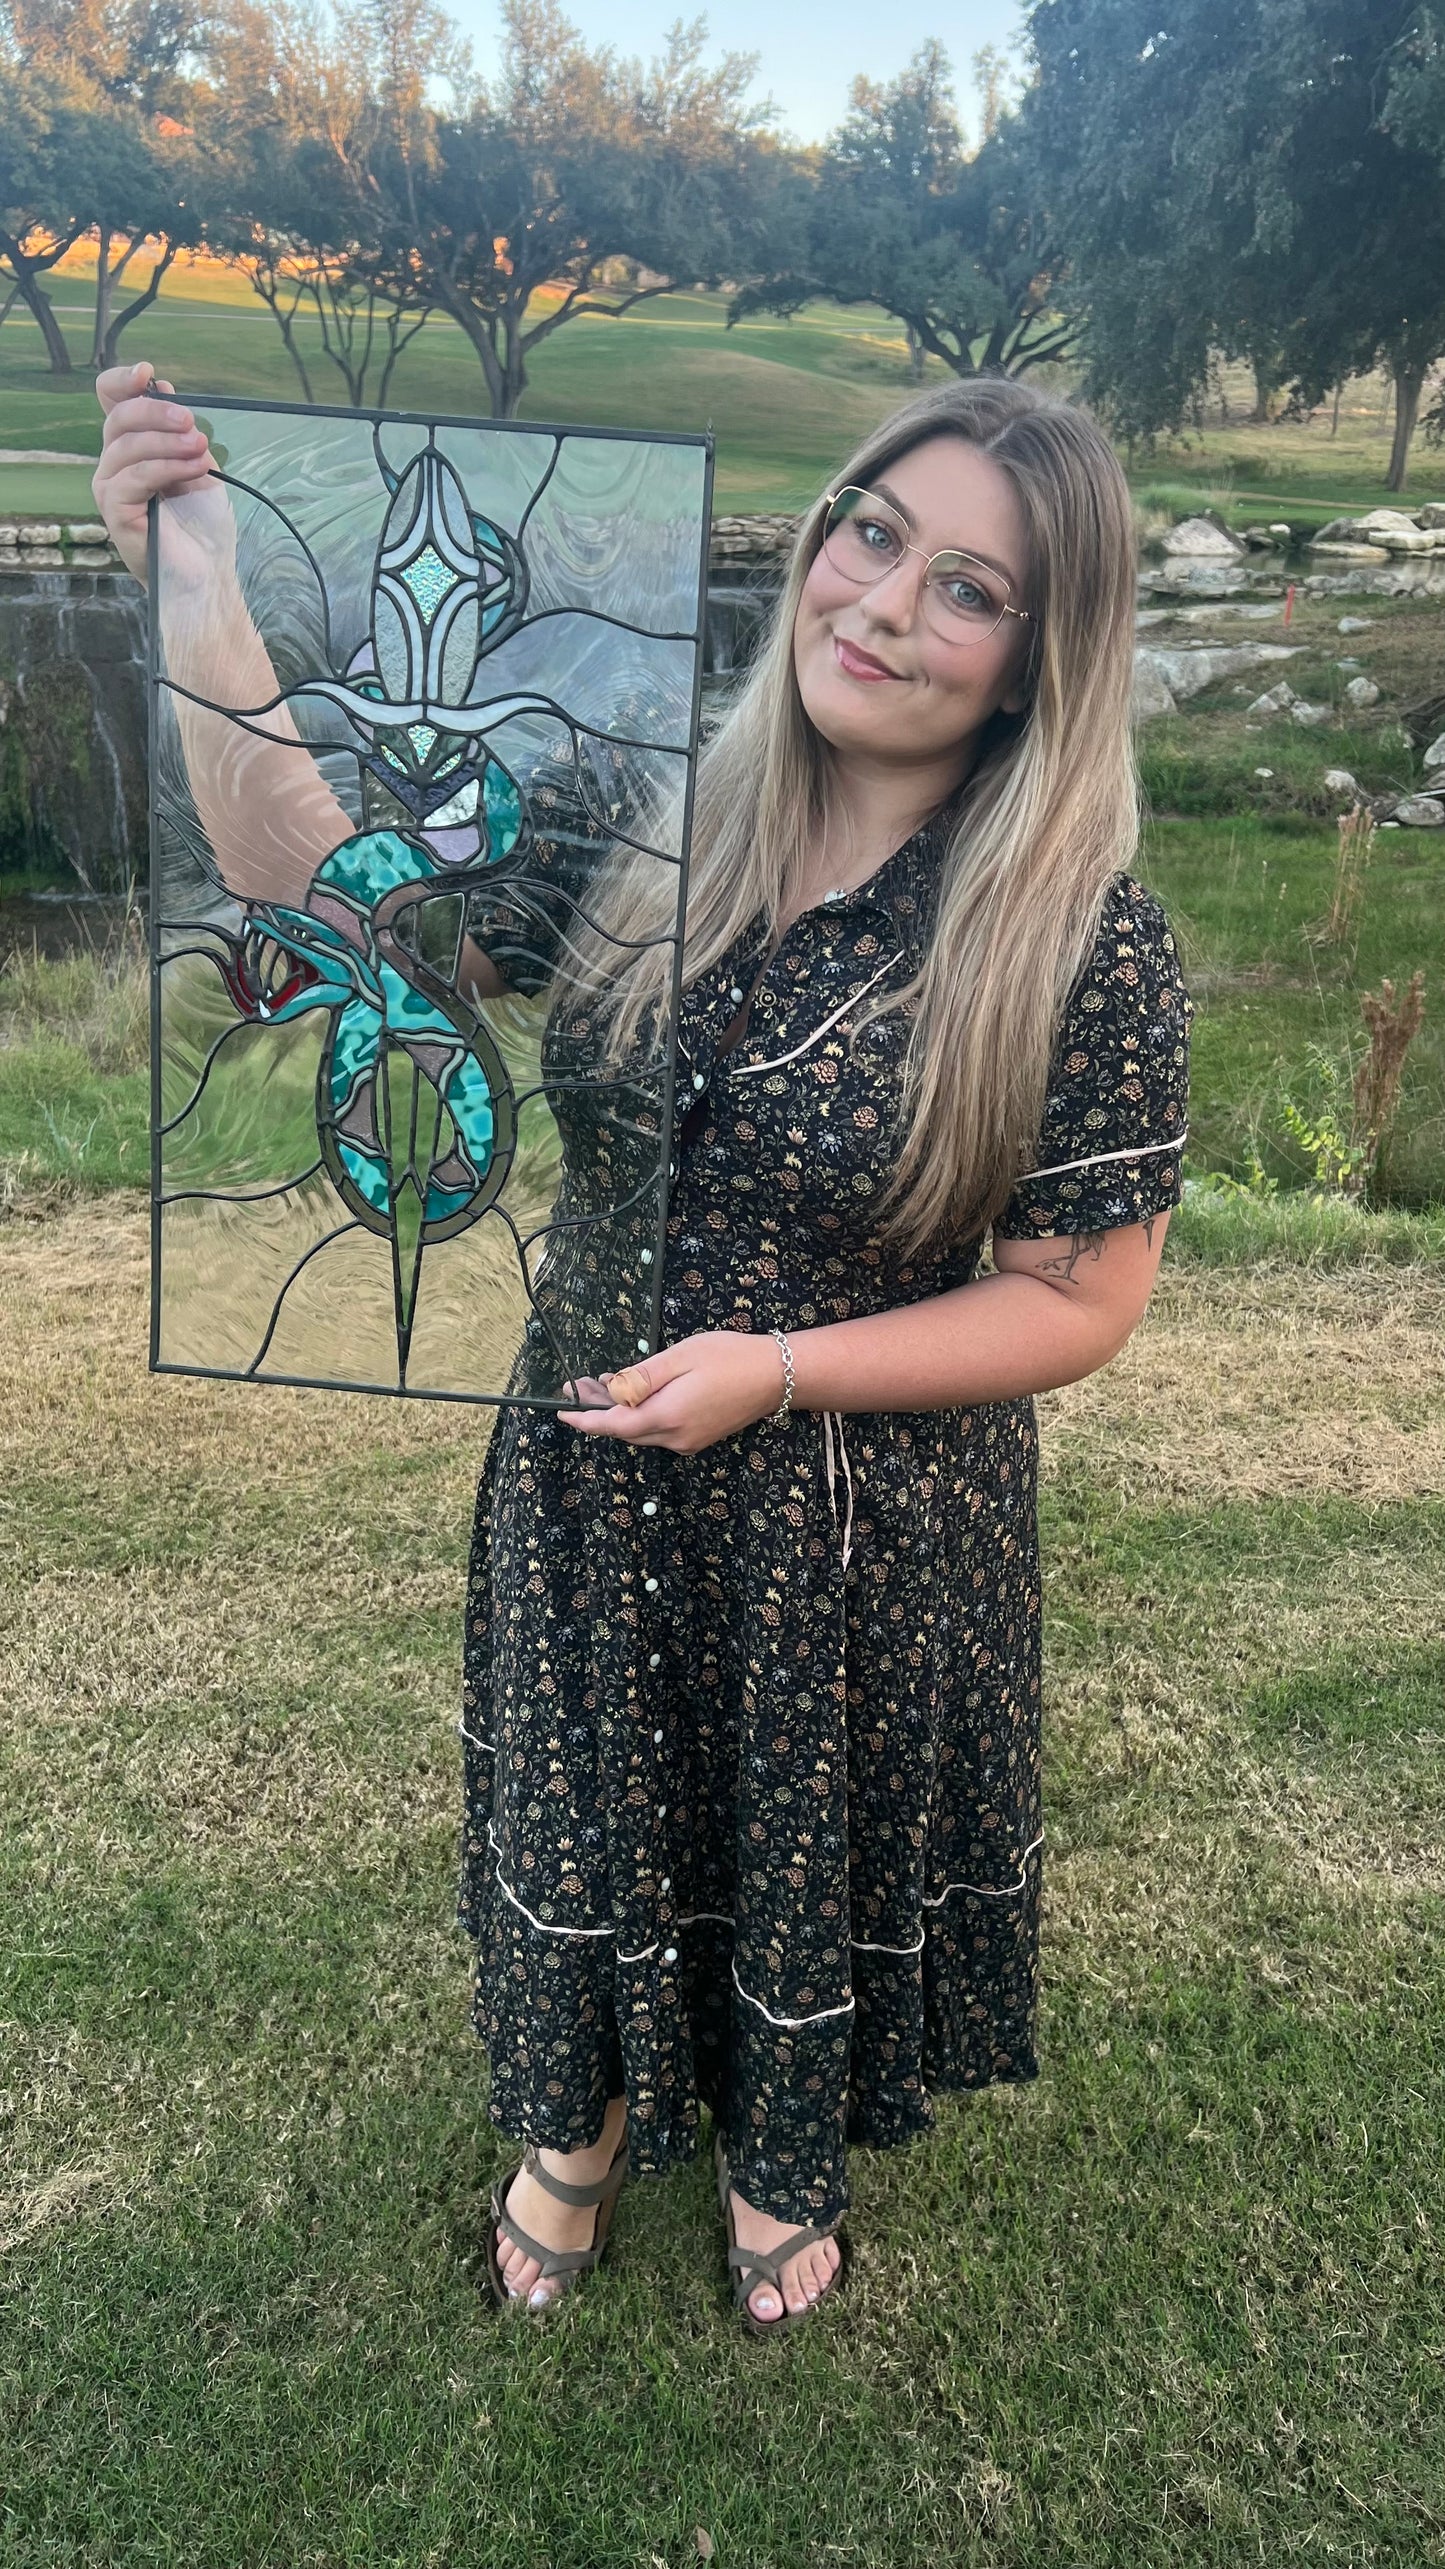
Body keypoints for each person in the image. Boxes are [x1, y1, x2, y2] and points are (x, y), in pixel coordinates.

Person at [94, 362, 1192, 2335]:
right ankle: (580, 2123)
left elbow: (1082, 1295)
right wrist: (194, 572)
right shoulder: (635, 803)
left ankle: (781, 2161)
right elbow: (313, 880)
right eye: (875, 533)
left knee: (796, 1836)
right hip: (594, 1458)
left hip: (852, 1520)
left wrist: (777, 1372)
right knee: (587, 1807)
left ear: (1041, 659)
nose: (883, 604)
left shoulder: (1073, 928)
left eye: (971, 589)